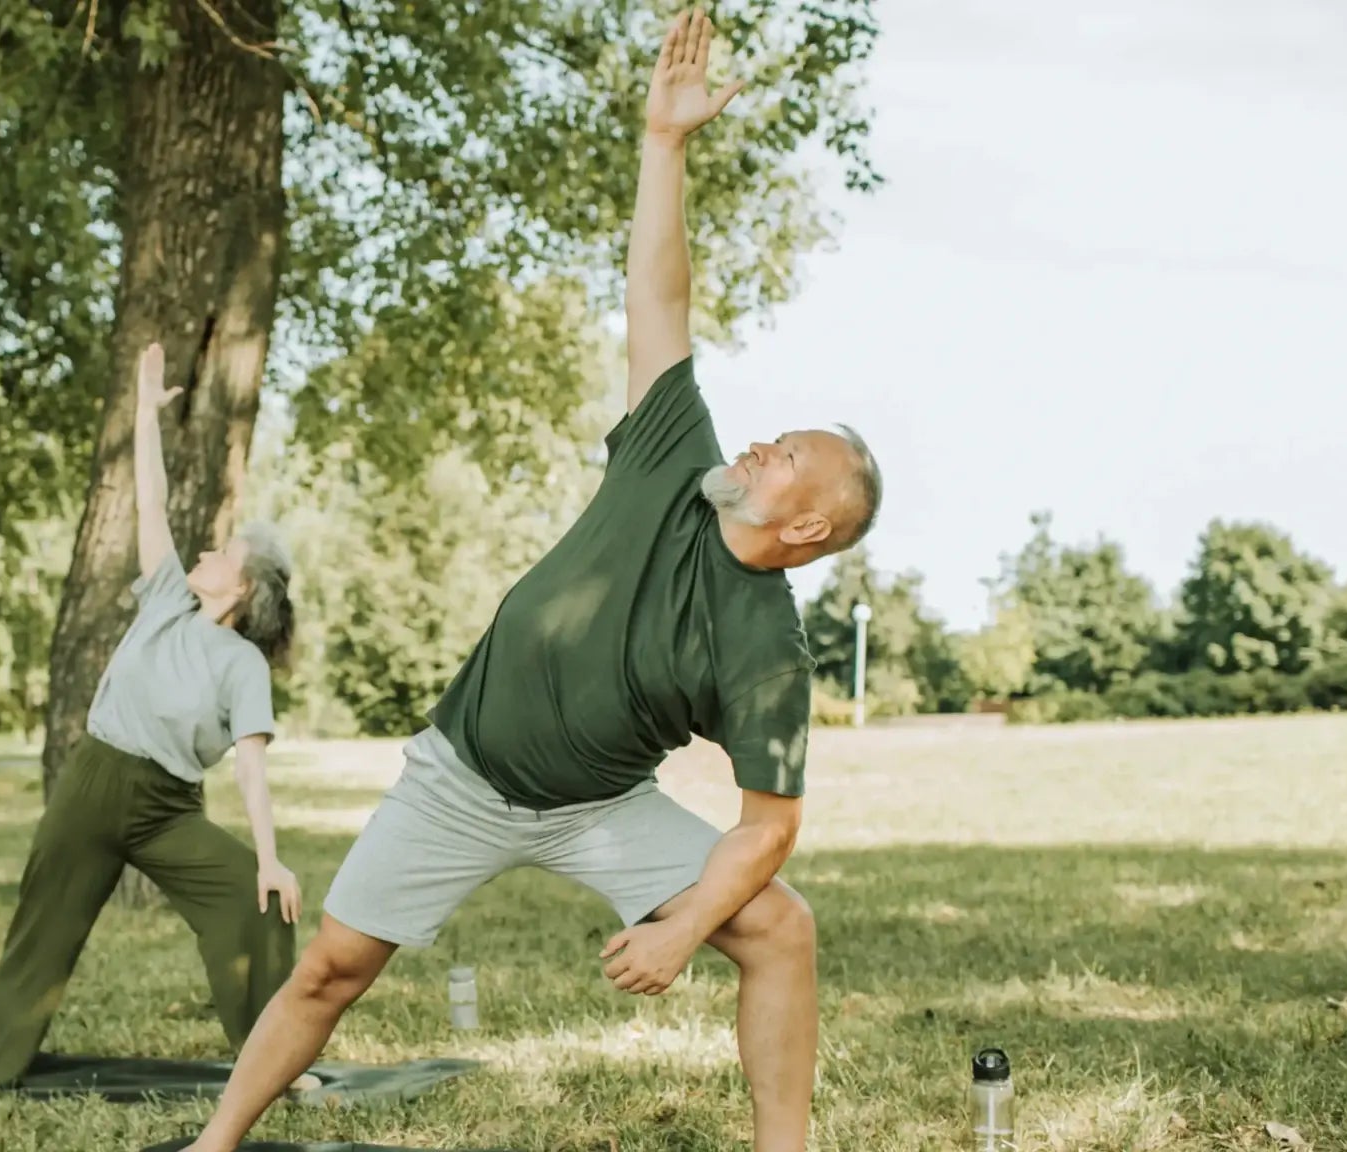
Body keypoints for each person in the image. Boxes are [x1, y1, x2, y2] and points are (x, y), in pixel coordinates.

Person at [174, 10, 882, 1152]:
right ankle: (213, 1147)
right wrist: (663, 143)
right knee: (332, 970)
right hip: (462, 773)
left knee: (777, 930)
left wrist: (681, 926)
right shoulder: (672, 458)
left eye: (786, 456)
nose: (759, 447)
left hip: (595, 808)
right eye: (773, 435)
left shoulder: (763, 646)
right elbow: (657, 303)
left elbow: (765, 829)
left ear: (805, 526)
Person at [0, 340, 303, 1090]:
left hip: (166, 808)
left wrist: (268, 857)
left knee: (254, 900)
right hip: (95, 784)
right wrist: (144, 411)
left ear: (243, 589)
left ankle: (275, 1067)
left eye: (221, 552)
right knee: (44, 923)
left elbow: (252, 769)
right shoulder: (165, 596)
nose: (205, 549)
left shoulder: (242, 665)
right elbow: (151, 499)